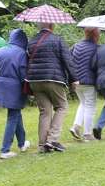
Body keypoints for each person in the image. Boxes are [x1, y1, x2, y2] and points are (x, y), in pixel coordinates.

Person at [24, 23, 74, 152]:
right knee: (62, 107)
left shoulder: (31, 41)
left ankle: (42, 145)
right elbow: (67, 60)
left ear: (39, 26)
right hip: (53, 78)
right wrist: (74, 78)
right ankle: (52, 140)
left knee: (44, 111)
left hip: (34, 80)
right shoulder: (57, 39)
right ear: (52, 25)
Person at [0, 29, 31, 159]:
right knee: (13, 116)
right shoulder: (22, 53)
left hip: (0, 85)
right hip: (14, 87)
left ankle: (22, 143)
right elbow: (23, 73)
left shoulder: (1, 50)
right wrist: (29, 89)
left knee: (15, 113)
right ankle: (5, 150)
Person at [68, 28, 102, 140]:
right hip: (89, 82)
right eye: (99, 33)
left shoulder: (76, 46)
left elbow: (69, 61)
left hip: (76, 81)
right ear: (95, 35)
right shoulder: (96, 48)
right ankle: (87, 133)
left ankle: (76, 126)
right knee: (90, 107)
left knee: (83, 104)